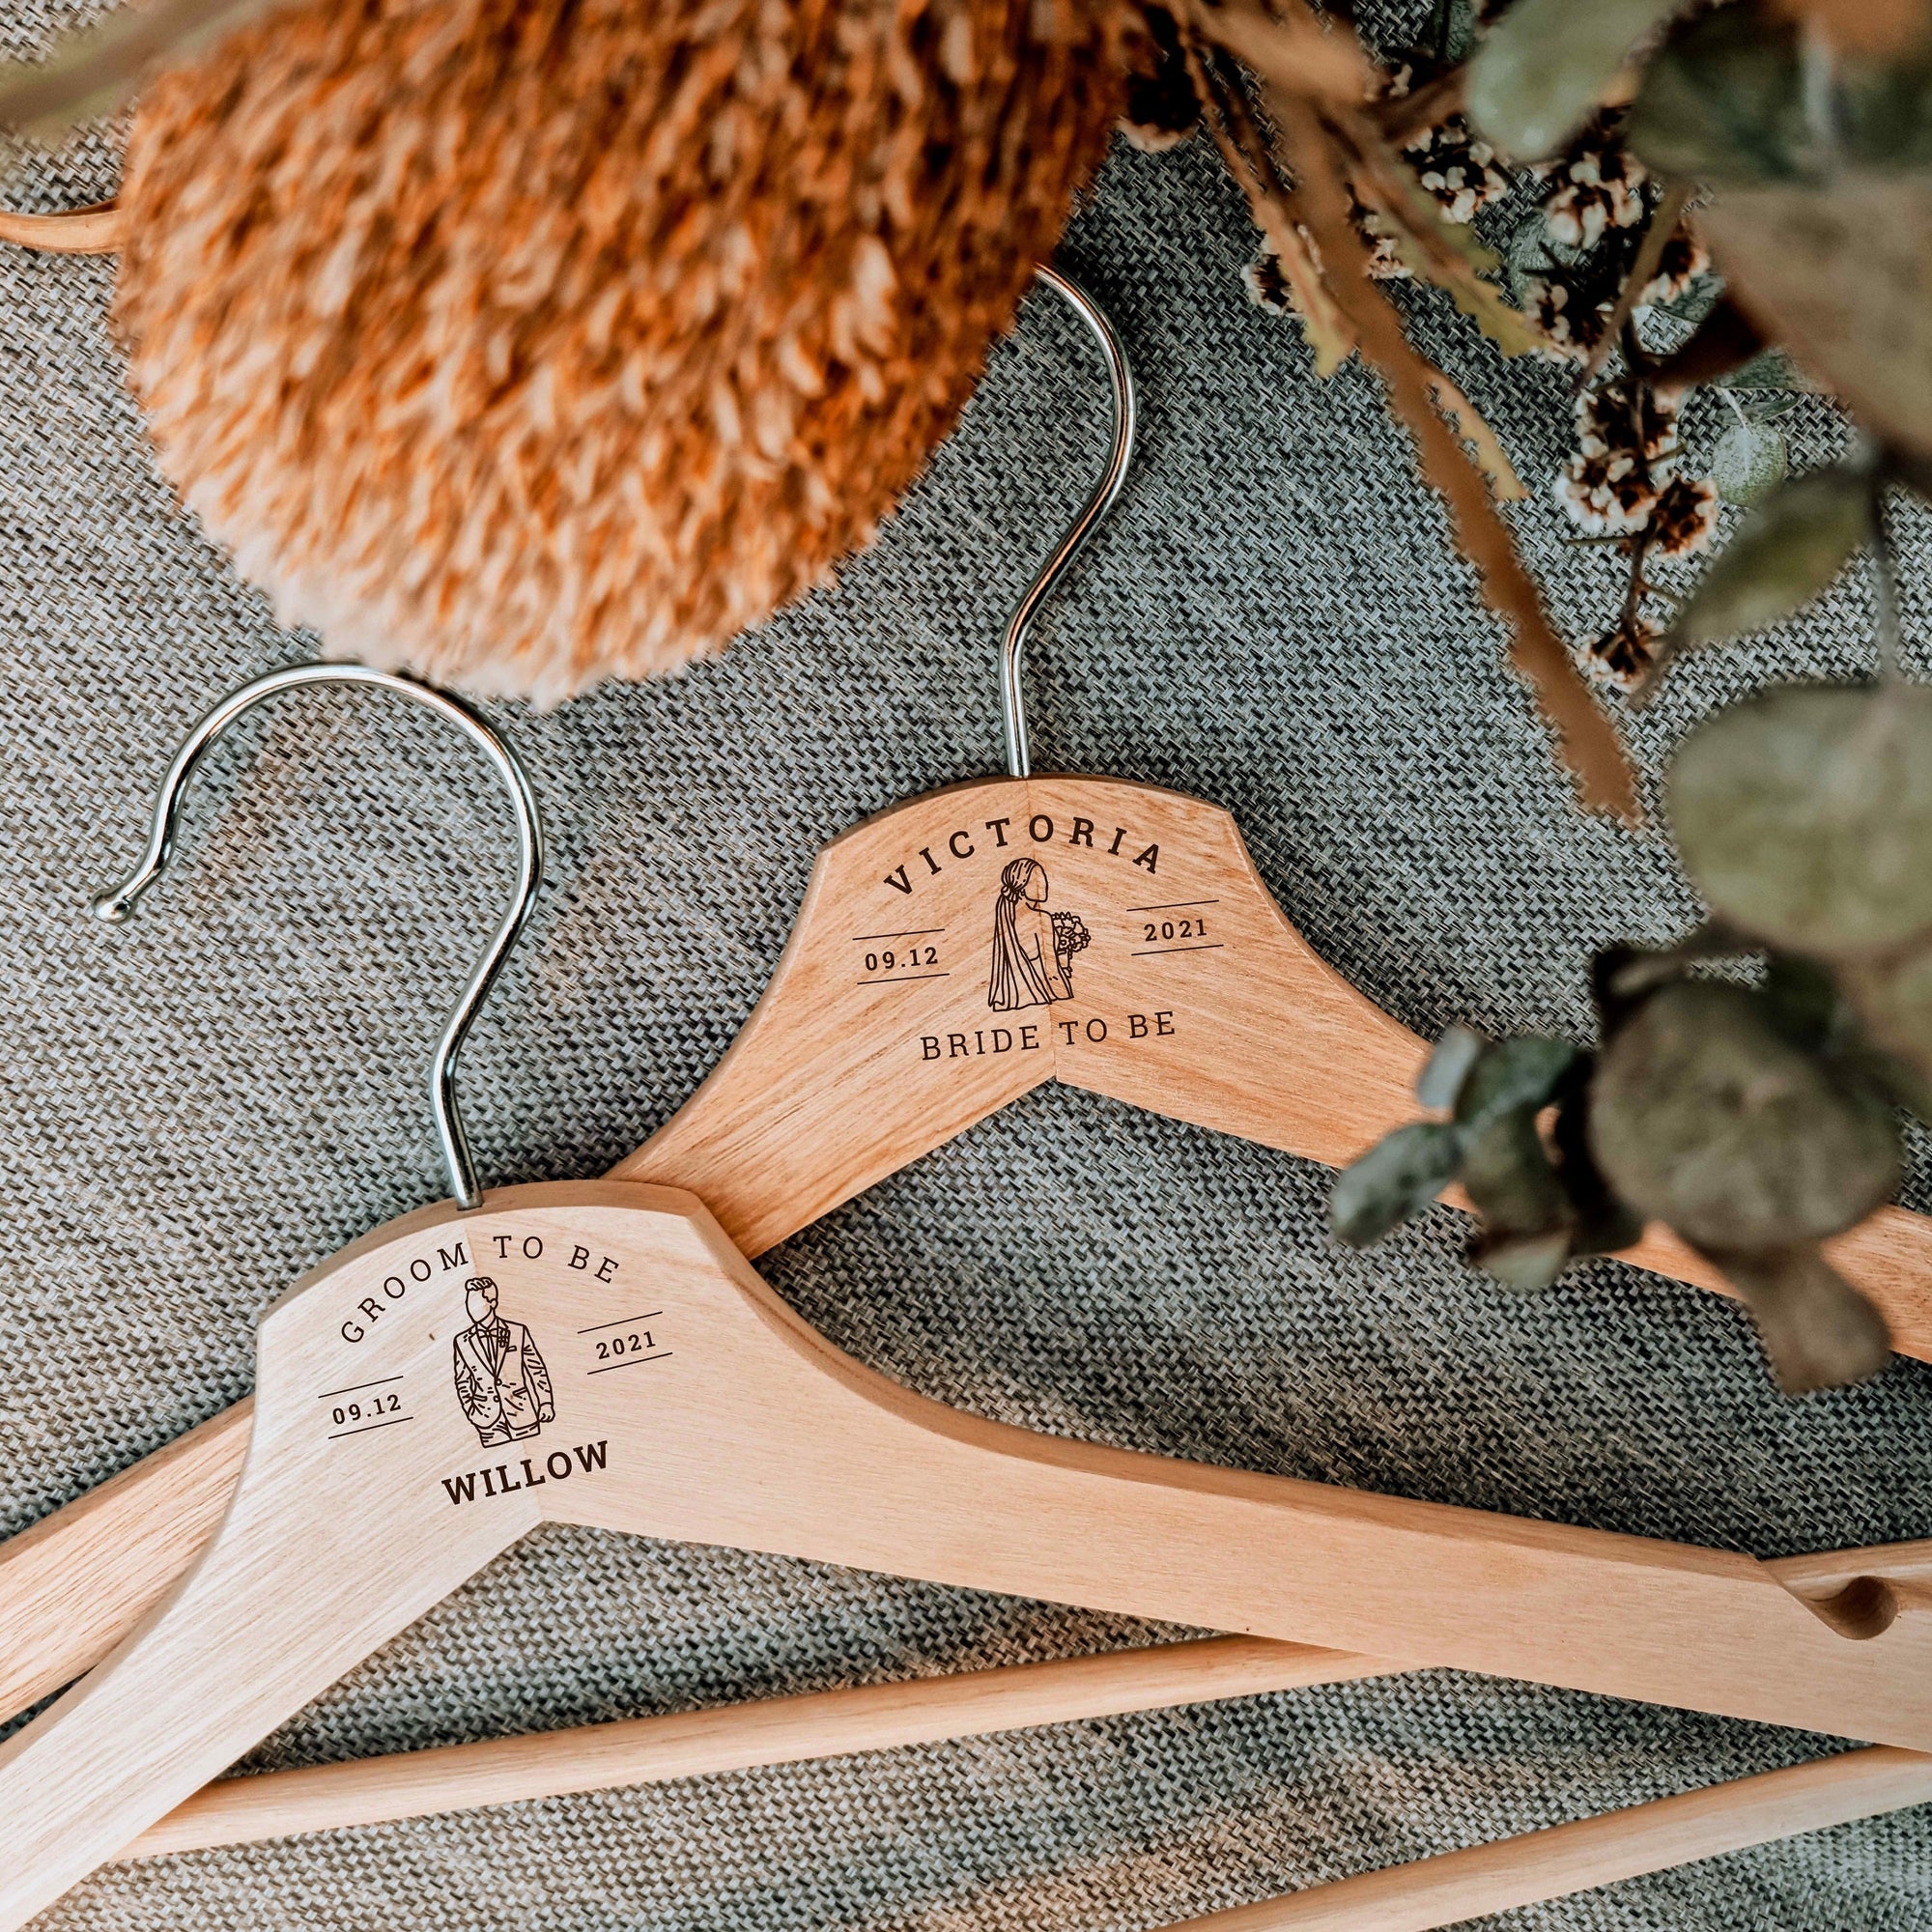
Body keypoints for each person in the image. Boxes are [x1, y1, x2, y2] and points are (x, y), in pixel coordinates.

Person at [452, 1275, 554, 1448]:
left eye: (475, 1301)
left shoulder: (517, 1331)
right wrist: (472, 1413)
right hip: (487, 1422)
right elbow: (462, 1381)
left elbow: (536, 1370)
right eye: (469, 1302)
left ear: (491, 1302)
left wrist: (545, 1403)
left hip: (522, 1413)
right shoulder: (462, 1341)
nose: (470, 1308)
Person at [987, 857, 1073, 1011]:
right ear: (1021, 887)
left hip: (1014, 1001)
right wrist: (1067, 1000)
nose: (1044, 883)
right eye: (1035, 880)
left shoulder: (1007, 919)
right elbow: (1052, 972)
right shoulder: (1041, 919)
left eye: (1043, 877)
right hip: (1043, 997)